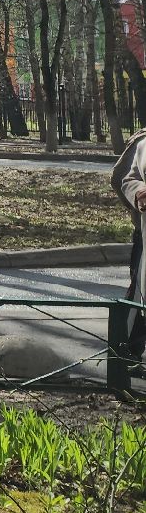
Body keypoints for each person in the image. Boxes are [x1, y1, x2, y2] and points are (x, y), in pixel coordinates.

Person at [108, 130, 146, 373]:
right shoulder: (143, 142)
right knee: (137, 296)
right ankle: (126, 354)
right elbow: (123, 178)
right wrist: (138, 194)